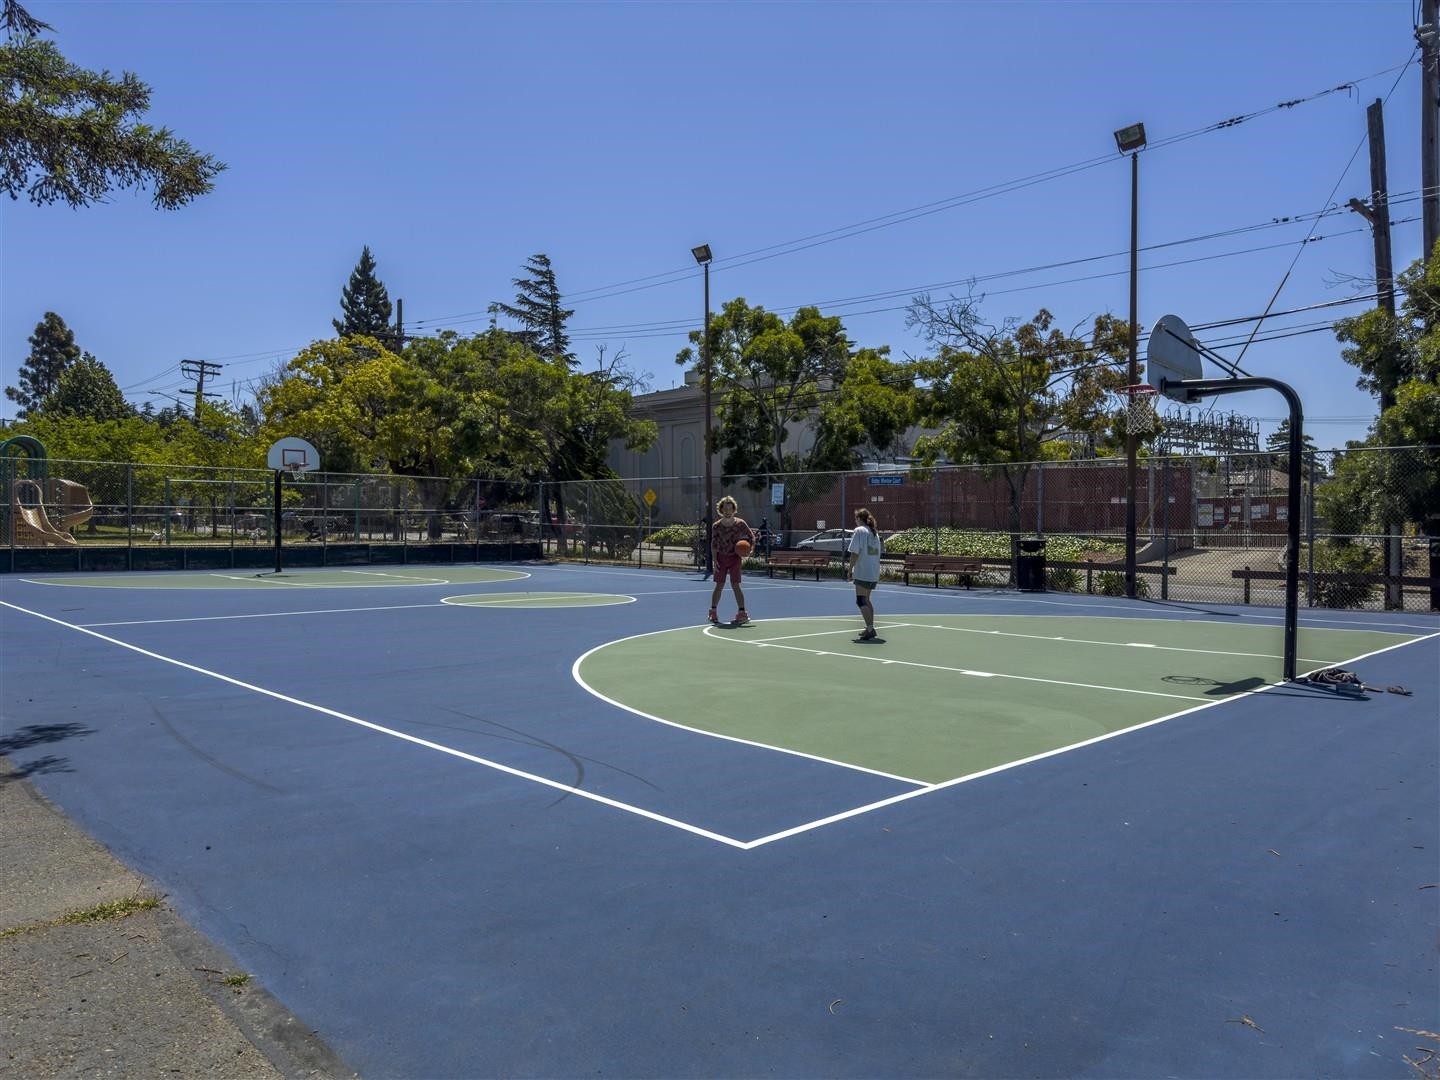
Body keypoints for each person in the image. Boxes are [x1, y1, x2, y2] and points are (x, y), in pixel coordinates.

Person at [709, 495, 755, 625]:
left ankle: (742, 613)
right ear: (721, 509)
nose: (728, 510)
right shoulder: (716, 526)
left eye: (730, 508)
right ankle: (713, 612)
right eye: (725, 508)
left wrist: (749, 550)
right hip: (721, 558)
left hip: (735, 558)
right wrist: (714, 561)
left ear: (734, 509)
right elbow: (714, 544)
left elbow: (751, 537)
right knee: (719, 585)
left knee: (736, 585)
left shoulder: (740, 524)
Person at [845, 507, 883, 641]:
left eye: (856, 518)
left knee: (861, 600)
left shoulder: (859, 531)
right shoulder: (874, 532)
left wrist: (850, 570)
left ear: (860, 519)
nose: (855, 521)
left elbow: (855, 553)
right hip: (873, 571)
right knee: (866, 599)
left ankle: (870, 628)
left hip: (863, 571)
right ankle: (870, 627)